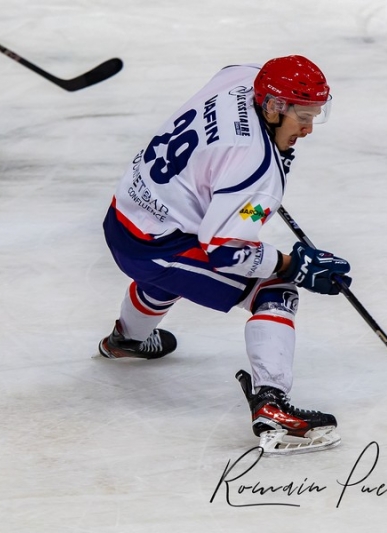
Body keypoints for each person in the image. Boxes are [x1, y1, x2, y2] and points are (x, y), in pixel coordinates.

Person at [97, 55, 351, 455]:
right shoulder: (258, 173)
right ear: (272, 106)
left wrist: (233, 178)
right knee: (275, 289)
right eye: (302, 116)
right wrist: (294, 265)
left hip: (125, 214)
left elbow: (234, 69)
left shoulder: (243, 80)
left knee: (177, 275)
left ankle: (127, 340)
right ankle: (272, 406)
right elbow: (226, 252)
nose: (308, 127)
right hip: (155, 247)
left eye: (315, 114)